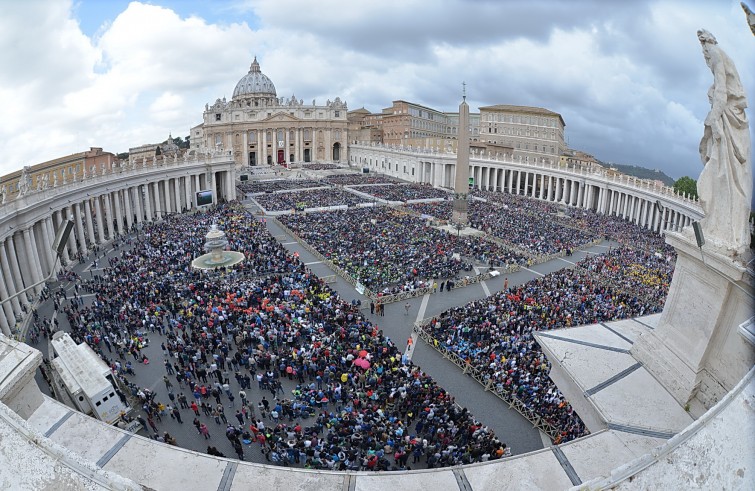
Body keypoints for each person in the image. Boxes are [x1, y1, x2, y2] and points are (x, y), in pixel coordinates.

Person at [696, 29, 751, 253]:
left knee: (724, 173)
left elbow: (720, 93)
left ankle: (723, 226)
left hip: (727, 118)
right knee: (722, 173)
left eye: (703, 51)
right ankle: (720, 222)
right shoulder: (719, 55)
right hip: (727, 117)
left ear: (707, 45)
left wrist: (712, 120)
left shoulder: (716, 54)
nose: (704, 56)